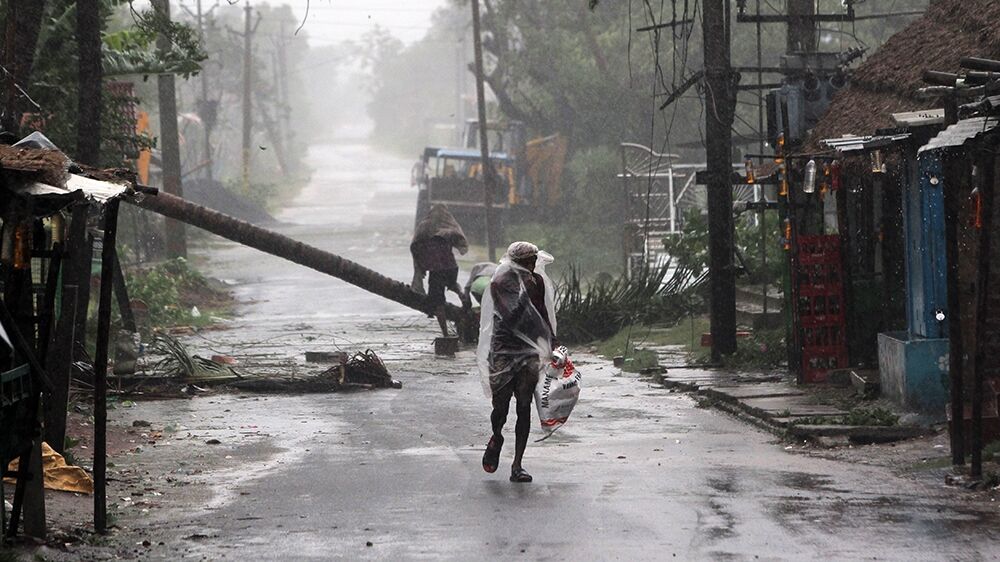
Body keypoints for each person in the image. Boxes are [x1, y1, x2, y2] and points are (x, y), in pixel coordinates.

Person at [478, 241, 559, 483]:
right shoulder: (500, 283)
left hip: (528, 352)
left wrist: (553, 343)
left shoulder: (538, 282)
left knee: (524, 406)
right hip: (503, 350)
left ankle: (518, 464)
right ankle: (496, 436)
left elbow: (542, 315)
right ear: (517, 264)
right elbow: (510, 315)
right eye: (528, 262)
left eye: (535, 261)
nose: (533, 265)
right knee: (500, 408)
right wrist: (523, 293)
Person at [410, 205, 471, 337]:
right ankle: (461, 295)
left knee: (438, 303)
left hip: (436, 269)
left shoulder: (425, 227)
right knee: (452, 284)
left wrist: (420, 265)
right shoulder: (448, 227)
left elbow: (415, 244)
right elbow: (459, 236)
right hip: (451, 266)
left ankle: (445, 334)